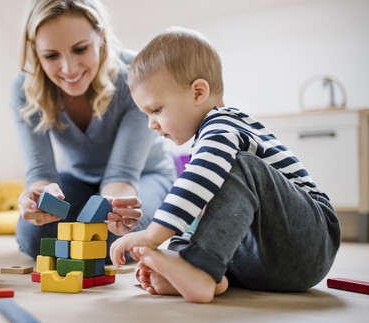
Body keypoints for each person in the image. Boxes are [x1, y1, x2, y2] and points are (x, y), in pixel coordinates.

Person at [110, 27, 341, 303]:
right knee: (201, 204)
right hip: (261, 260)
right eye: (146, 114)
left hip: (312, 241)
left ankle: (200, 269)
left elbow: (196, 183)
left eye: (156, 110)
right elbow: (200, 209)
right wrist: (174, 250)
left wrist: (151, 235)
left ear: (198, 92)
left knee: (232, 169)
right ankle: (204, 272)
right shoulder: (206, 143)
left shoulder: (223, 124)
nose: (151, 123)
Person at [10, 0, 175, 260]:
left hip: (143, 176)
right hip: (78, 178)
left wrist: (115, 211)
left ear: (101, 36)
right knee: (36, 239)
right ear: (35, 52)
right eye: (51, 56)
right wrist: (36, 198)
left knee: (111, 240)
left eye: (80, 49)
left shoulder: (136, 75)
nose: (69, 69)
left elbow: (122, 175)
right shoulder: (25, 89)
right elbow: (41, 175)